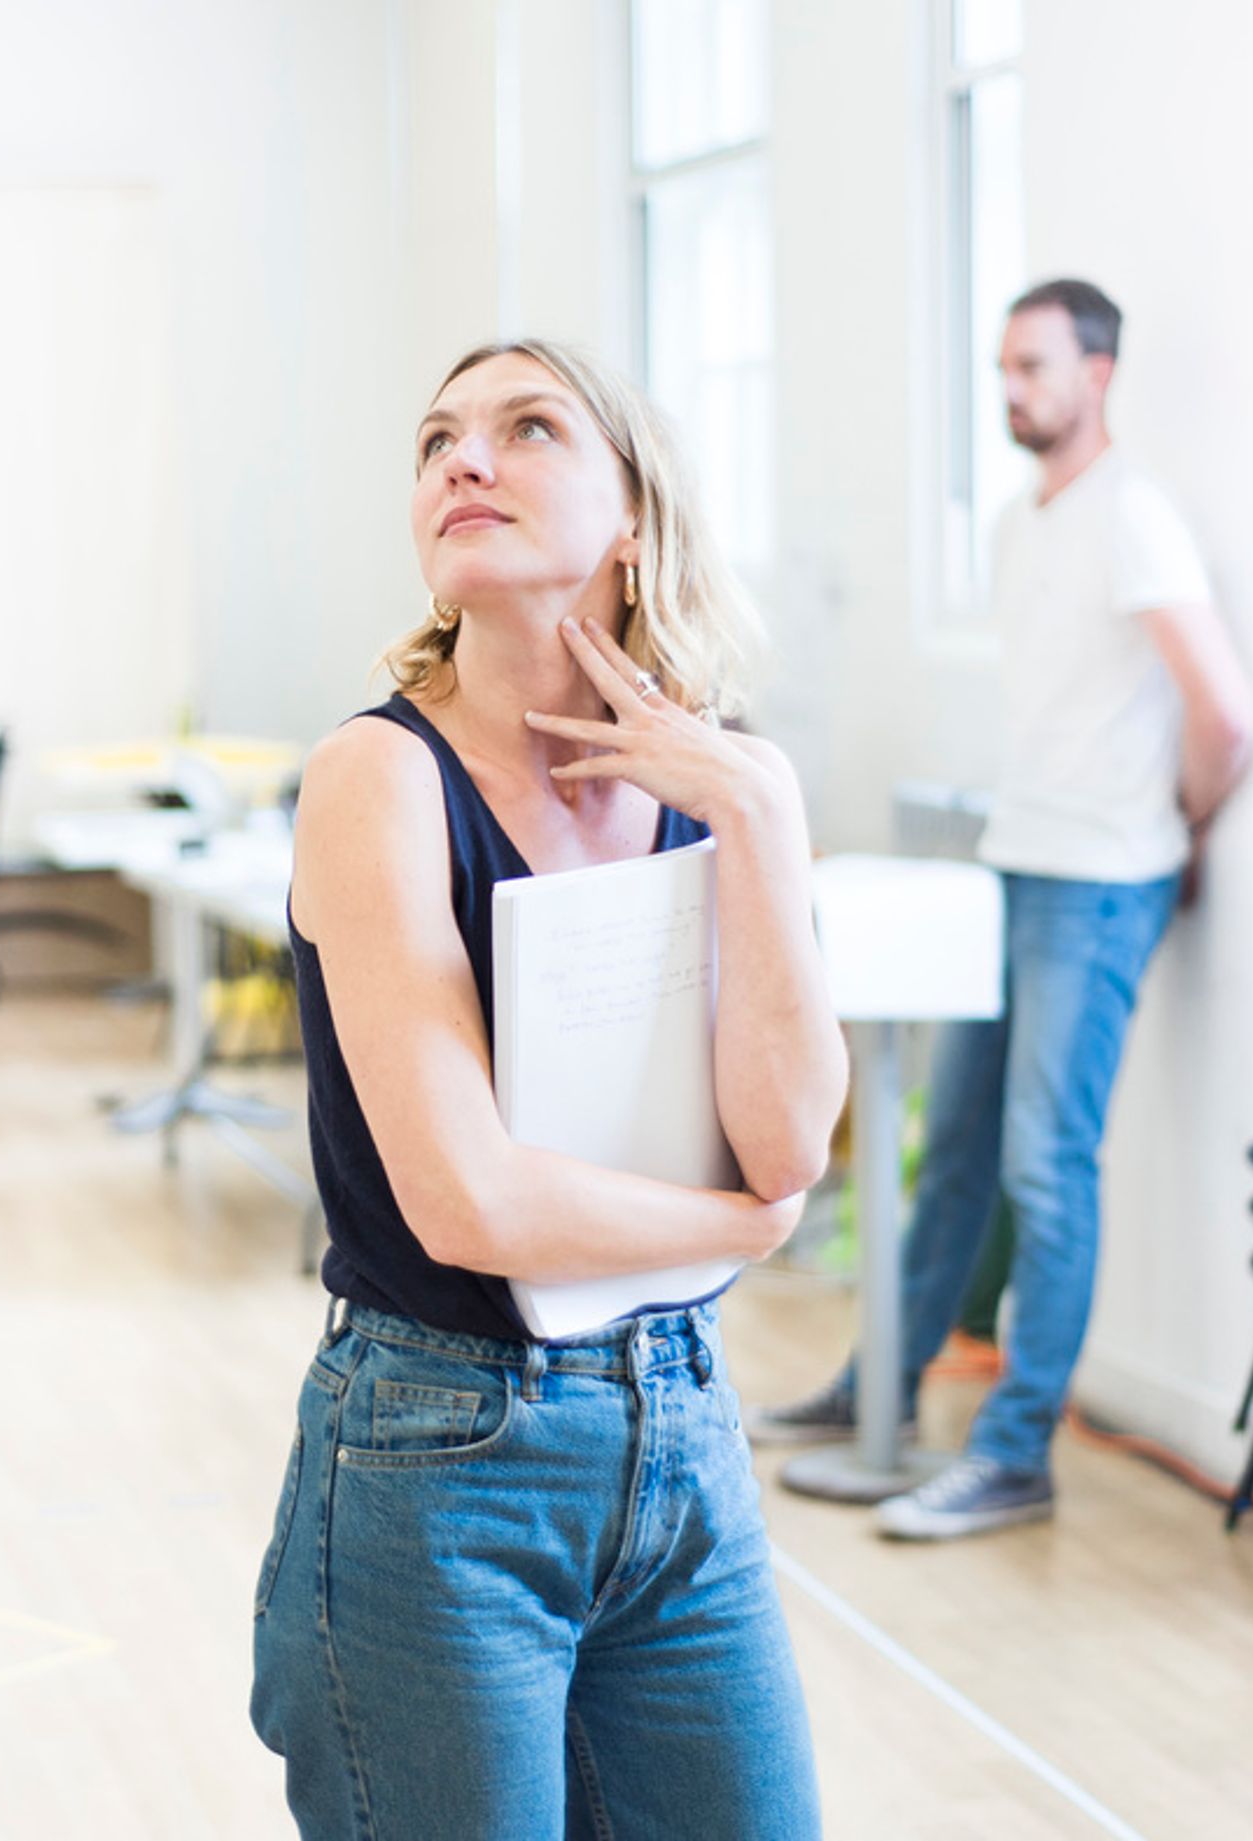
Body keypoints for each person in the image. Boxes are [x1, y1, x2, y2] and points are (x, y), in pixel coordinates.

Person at [250, 338, 848, 1838]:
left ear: (634, 514)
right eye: (437, 436)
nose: (465, 459)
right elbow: (475, 1201)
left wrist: (761, 818)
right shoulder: (376, 778)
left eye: (527, 427)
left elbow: (789, 1136)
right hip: (438, 1463)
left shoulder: (725, 781)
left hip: (685, 1432)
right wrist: (741, 1223)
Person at [751, 278, 1253, 1541]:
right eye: (1001, 369)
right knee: (953, 1145)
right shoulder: (1021, 526)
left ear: (1096, 373)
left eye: (1031, 366)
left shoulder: (1132, 516)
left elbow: (1226, 715)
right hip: (1010, 859)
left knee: (1043, 1157)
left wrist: (1176, 828)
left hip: (1099, 880)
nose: (1010, 391)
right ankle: (880, 1386)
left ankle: (1014, 1449)